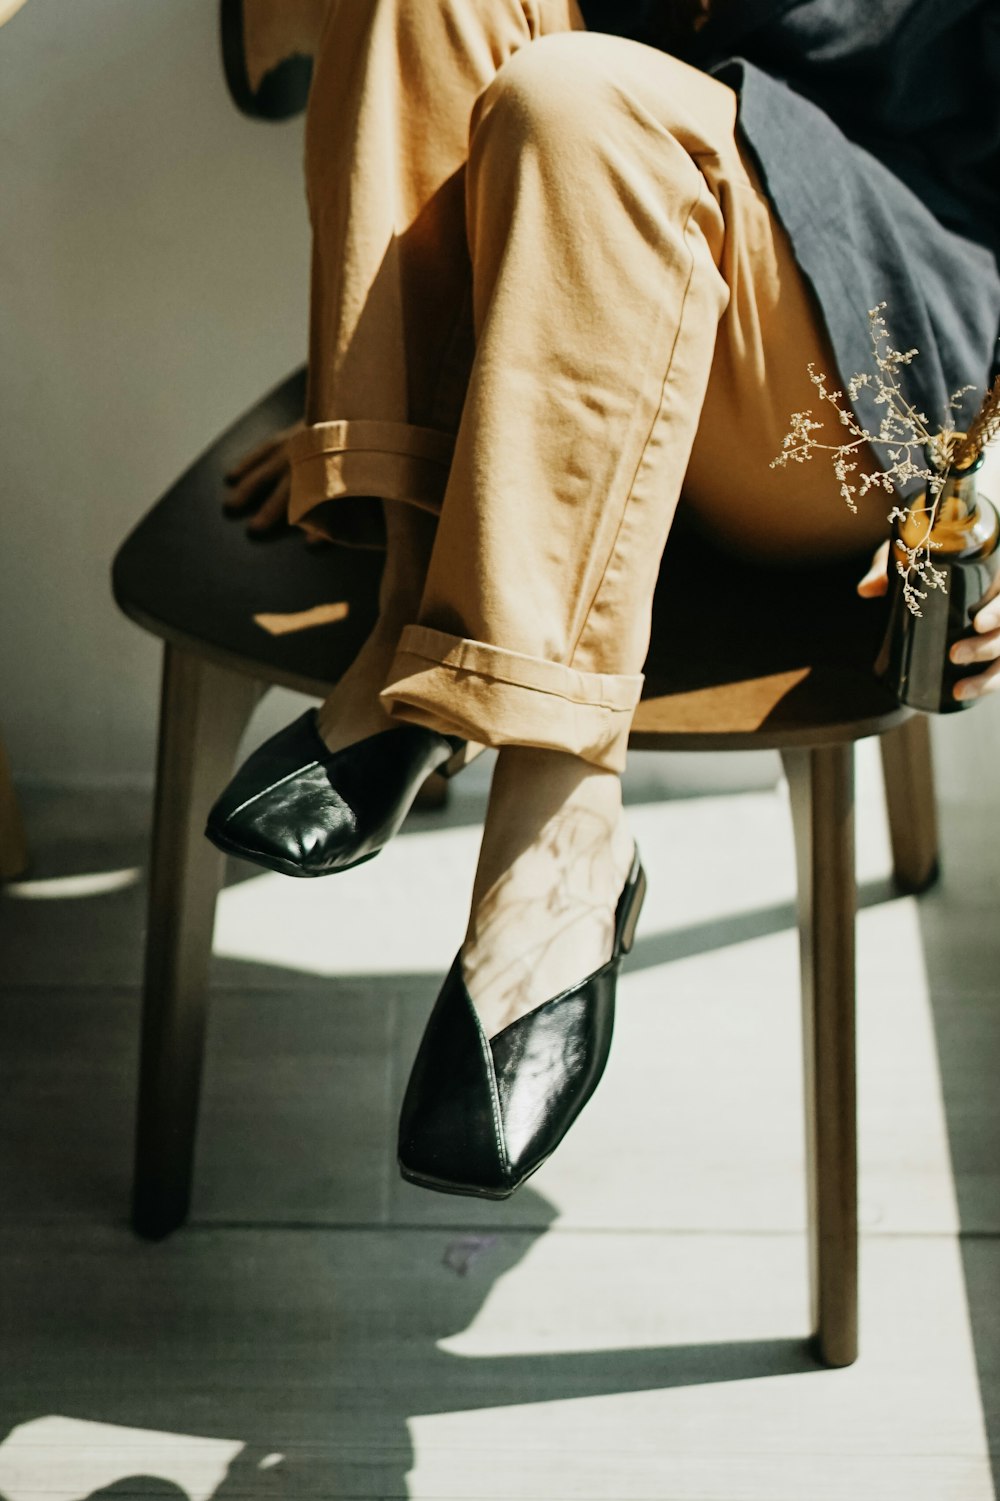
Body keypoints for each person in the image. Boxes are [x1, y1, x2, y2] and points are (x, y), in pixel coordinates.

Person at [207, 0, 1000, 1199]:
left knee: (583, 102)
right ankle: (411, 609)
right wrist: (382, 429)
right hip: (563, 357)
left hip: (845, 363)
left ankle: (556, 823)